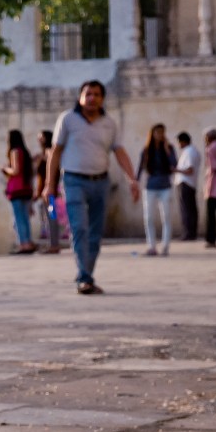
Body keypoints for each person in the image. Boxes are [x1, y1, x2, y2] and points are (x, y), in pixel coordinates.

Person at [44, 79, 139, 295]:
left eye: (96, 94)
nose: (92, 98)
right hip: (73, 181)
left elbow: (119, 151)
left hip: (100, 182)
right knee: (79, 228)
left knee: (95, 233)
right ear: (80, 97)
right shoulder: (68, 119)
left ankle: (87, 274)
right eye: (87, 94)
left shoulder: (109, 123)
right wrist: (49, 185)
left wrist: (132, 179)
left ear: (102, 99)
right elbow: (55, 151)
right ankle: (84, 277)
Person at [137, 124, 175, 256]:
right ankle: (151, 246)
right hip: (150, 187)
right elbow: (140, 168)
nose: (159, 135)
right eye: (157, 133)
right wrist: (135, 183)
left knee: (166, 217)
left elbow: (174, 165)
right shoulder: (147, 150)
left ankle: (165, 246)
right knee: (149, 217)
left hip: (165, 186)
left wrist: (167, 151)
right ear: (152, 134)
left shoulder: (169, 148)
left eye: (161, 132)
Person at [1, 129, 37, 254]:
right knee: (25, 218)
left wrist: (6, 169)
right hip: (27, 189)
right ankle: (28, 242)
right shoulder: (26, 153)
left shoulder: (15, 152)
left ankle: (23, 243)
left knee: (19, 219)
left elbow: (15, 170)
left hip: (17, 190)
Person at [33, 129, 63, 254]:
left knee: (52, 217)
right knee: (49, 218)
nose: (39, 140)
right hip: (46, 192)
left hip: (50, 192)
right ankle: (52, 243)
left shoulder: (49, 152)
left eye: (41, 137)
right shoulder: (44, 154)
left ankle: (54, 244)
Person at [173, 131, 201, 243]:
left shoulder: (189, 151)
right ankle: (190, 232)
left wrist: (175, 170)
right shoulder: (191, 151)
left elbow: (190, 170)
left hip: (186, 183)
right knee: (190, 209)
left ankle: (188, 233)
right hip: (189, 183)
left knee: (186, 209)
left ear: (183, 141)